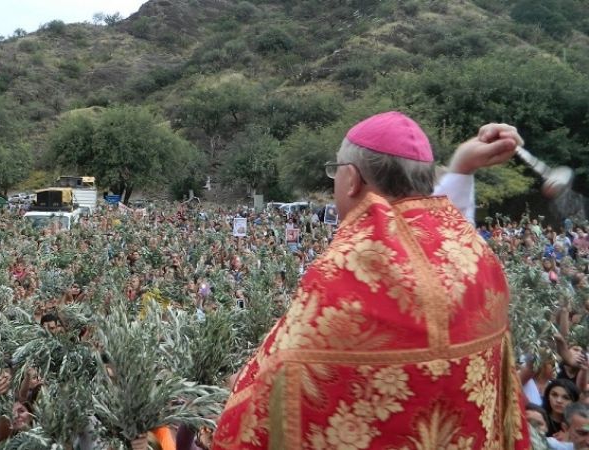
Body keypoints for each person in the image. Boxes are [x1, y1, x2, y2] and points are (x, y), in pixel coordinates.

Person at [213, 112, 530, 449]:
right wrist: (461, 169)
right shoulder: (476, 260)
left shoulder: (346, 271)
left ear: (351, 179)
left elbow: (269, 392)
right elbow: (432, 257)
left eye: (335, 170)